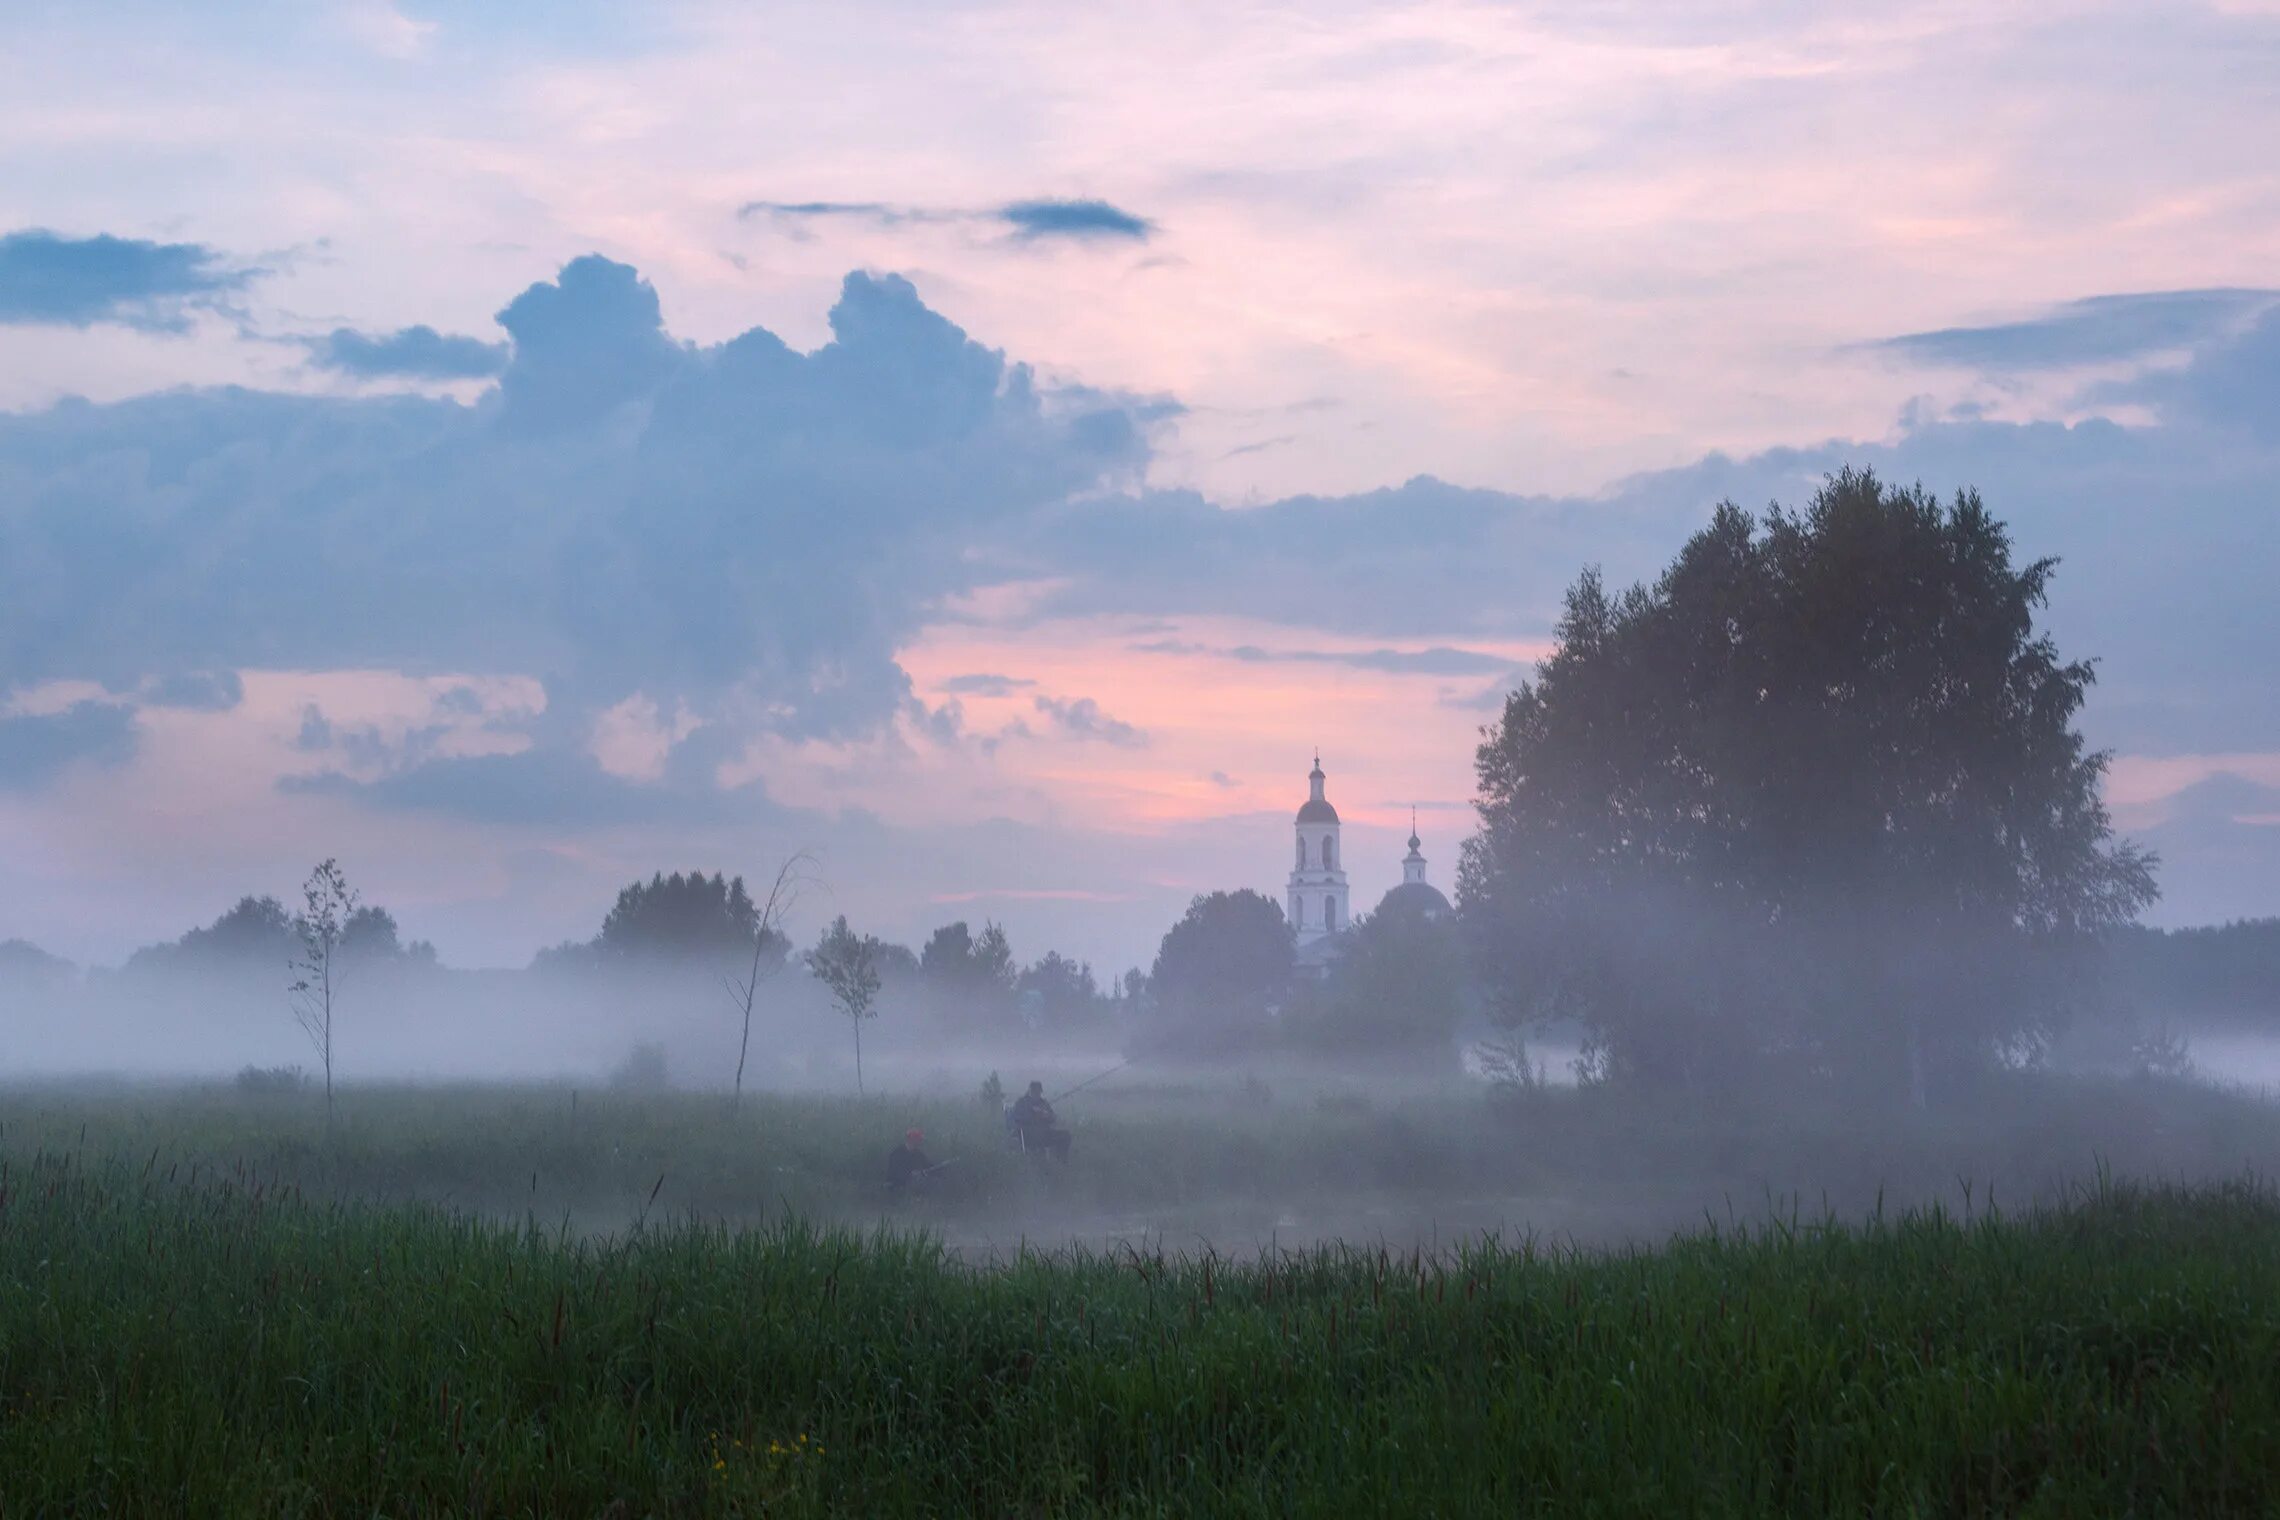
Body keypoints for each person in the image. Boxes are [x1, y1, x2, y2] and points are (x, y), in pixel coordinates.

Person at [1009, 1081, 1072, 1161]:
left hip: (1044, 1134)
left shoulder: (1043, 1103)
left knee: (1066, 1135)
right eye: (1034, 1092)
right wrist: (1033, 1115)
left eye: (1038, 1092)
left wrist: (1047, 1116)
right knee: (1036, 1137)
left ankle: (1061, 1161)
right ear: (1029, 1091)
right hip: (1028, 1136)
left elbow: (1053, 1118)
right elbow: (1016, 1118)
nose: (1037, 1094)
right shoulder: (1021, 1103)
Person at [886, 1128, 934, 1194]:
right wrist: (911, 1174)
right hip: (896, 1186)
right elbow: (895, 1172)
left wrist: (939, 1169)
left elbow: (928, 1165)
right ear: (912, 1140)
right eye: (919, 1139)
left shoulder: (918, 1154)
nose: (920, 1142)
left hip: (913, 1186)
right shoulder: (897, 1153)